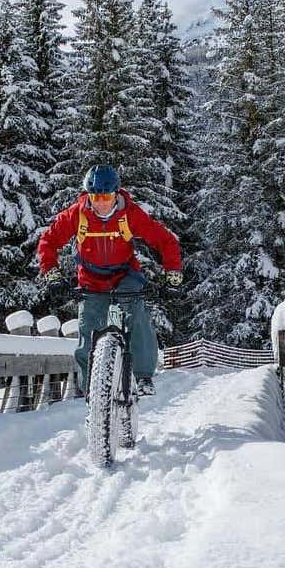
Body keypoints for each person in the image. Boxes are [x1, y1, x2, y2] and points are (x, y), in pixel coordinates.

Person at [36, 164, 183, 396]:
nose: (101, 203)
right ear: (88, 195)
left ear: (116, 194)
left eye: (106, 196)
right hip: (91, 279)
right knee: (87, 330)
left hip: (125, 276)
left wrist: (173, 272)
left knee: (136, 315)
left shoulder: (130, 214)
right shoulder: (77, 214)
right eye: (95, 197)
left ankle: (144, 376)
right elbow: (48, 241)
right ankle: (91, 391)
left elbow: (165, 240)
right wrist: (51, 272)